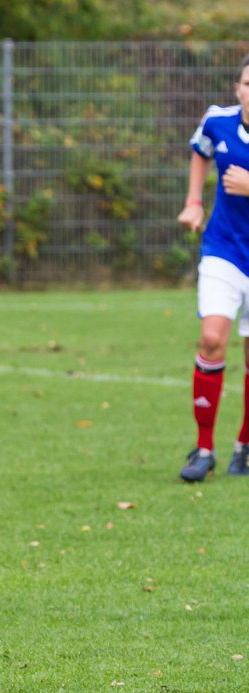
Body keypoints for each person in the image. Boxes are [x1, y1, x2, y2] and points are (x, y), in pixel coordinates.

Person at [177, 54, 249, 482]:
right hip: (222, 249)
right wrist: (193, 201)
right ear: (238, 87)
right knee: (211, 339)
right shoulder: (217, 120)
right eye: (247, 82)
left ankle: (245, 444)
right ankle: (204, 448)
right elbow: (200, 153)